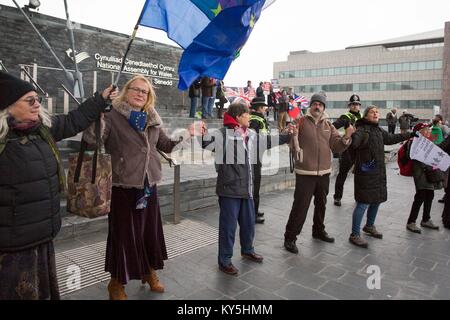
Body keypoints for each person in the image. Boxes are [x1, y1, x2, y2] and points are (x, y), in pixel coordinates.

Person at [82, 75, 204, 299]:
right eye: (135, 89)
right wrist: (95, 118)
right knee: (123, 235)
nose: (140, 94)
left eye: (144, 91)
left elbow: (165, 145)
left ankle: (149, 272)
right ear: (126, 91)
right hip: (123, 185)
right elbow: (92, 142)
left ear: (149, 97)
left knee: (149, 233)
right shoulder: (111, 115)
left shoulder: (152, 117)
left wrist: (188, 134)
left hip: (148, 185)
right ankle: (116, 282)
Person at [0, 71, 112, 300]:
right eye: (29, 100)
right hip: (11, 247)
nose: (36, 105)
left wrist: (99, 99)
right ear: (7, 106)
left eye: (37, 99)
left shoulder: (42, 130)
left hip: (41, 239)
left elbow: (73, 120)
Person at [283, 93, 355, 254]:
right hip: (305, 172)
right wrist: (289, 132)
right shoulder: (300, 120)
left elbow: (336, 145)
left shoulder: (328, 124)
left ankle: (318, 231)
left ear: (324, 108)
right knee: (300, 206)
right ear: (310, 106)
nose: (317, 107)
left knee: (321, 204)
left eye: (320, 105)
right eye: (315, 104)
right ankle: (290, 237)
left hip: (324, 173)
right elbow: (287, 136)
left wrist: (346, 138)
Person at [202, 102, 265, 275]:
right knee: (228, 228)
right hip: (230, 189)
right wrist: (201, 133)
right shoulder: (224, 133)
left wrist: (288, 136)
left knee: (248, 225)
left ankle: (247, 249)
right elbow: (206, 143)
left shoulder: (250, 133)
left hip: (247, 187)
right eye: (247, 114)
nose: (249, 117)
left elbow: (267, 141)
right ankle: (224, 260)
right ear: (238, 116)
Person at [348, 106, 411, 248]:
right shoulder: (362, 129)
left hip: (378, 172)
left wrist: (409, 135)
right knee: (363, 203)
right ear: (366, 116)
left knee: (377, 199)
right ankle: (354, 234)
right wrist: (350, 135)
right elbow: (354, 143)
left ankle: (369, 226)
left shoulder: (377, 130)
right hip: (365, 173)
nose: (376, 113)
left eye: (377, 112)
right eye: (372, 112)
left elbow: (392, 138)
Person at [249, 97, 292, 224]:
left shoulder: (258, 119)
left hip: (256, 155)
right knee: (255, 185)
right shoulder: (256, 120)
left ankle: (254, 210)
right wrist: (284, 138)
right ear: (259, 108)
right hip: (254, 156)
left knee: (256, 184)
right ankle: (252, 214)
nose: (265, 108)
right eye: (264, 107)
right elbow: (261, 140)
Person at [406, 123, 443, 233]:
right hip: (420, 173)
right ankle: (411, 222)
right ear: (419, 132)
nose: (428, 132)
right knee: (420, 196)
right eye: (425, 130)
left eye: (428, 130)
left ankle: (426, 219)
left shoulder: (428, 142)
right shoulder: (413, 141)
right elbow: (410, 156)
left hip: (429, 172)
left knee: (430, 195)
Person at [332, 94, 363, 206]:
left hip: (360, 150)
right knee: (343, 174)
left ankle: (359, 197)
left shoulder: (363, 117)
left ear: (360, 106)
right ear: (349, 105)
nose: (355, 106)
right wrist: (341, 138)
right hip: (348, 149)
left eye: (357, 104)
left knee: (360, 175)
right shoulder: (346, 117)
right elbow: (333, 127)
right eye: (353, 104)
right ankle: (337, 197)